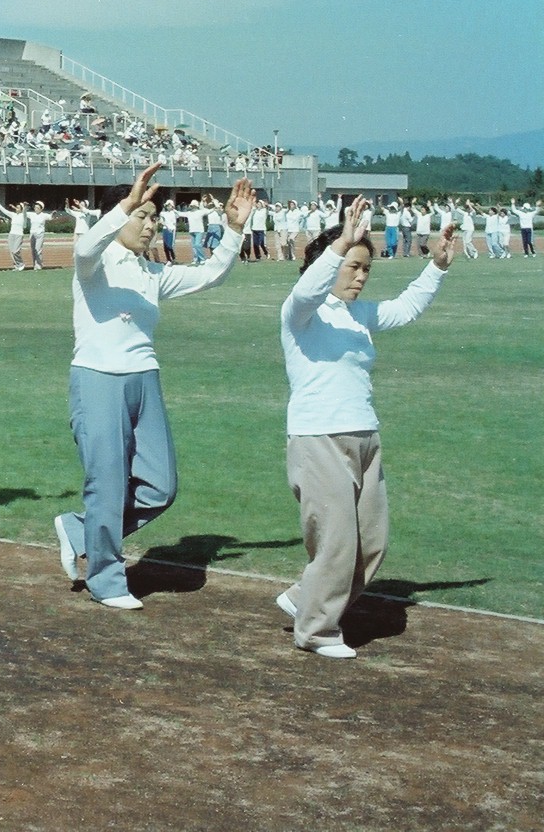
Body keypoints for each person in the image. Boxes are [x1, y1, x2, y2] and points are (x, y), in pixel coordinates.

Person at [54, 162, 256, 609]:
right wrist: (127, 201)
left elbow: (210, 274)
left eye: (154, 219)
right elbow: (86, 246)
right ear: (119, 215)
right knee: (107, 484)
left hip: (145, 380)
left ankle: (76, 529)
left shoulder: (152, 272)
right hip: (98, 379)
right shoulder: (94, 264)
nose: (150, 226)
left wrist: (235, 229)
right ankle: (106, 579)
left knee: (160, 486)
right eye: (142, 217)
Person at [278, 197, 456, 658]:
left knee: (372, 543)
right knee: (337, 541)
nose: (360, 276)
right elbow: (306, 291)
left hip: (365, 437)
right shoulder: (301, 313)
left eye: (365, 270)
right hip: (319, 438)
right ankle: (315, 630)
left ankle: (302, 598)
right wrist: (340, 243)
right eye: (352, 267)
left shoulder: (358, 316)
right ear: (328, 263)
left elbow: (404, 309)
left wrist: (436, 266)